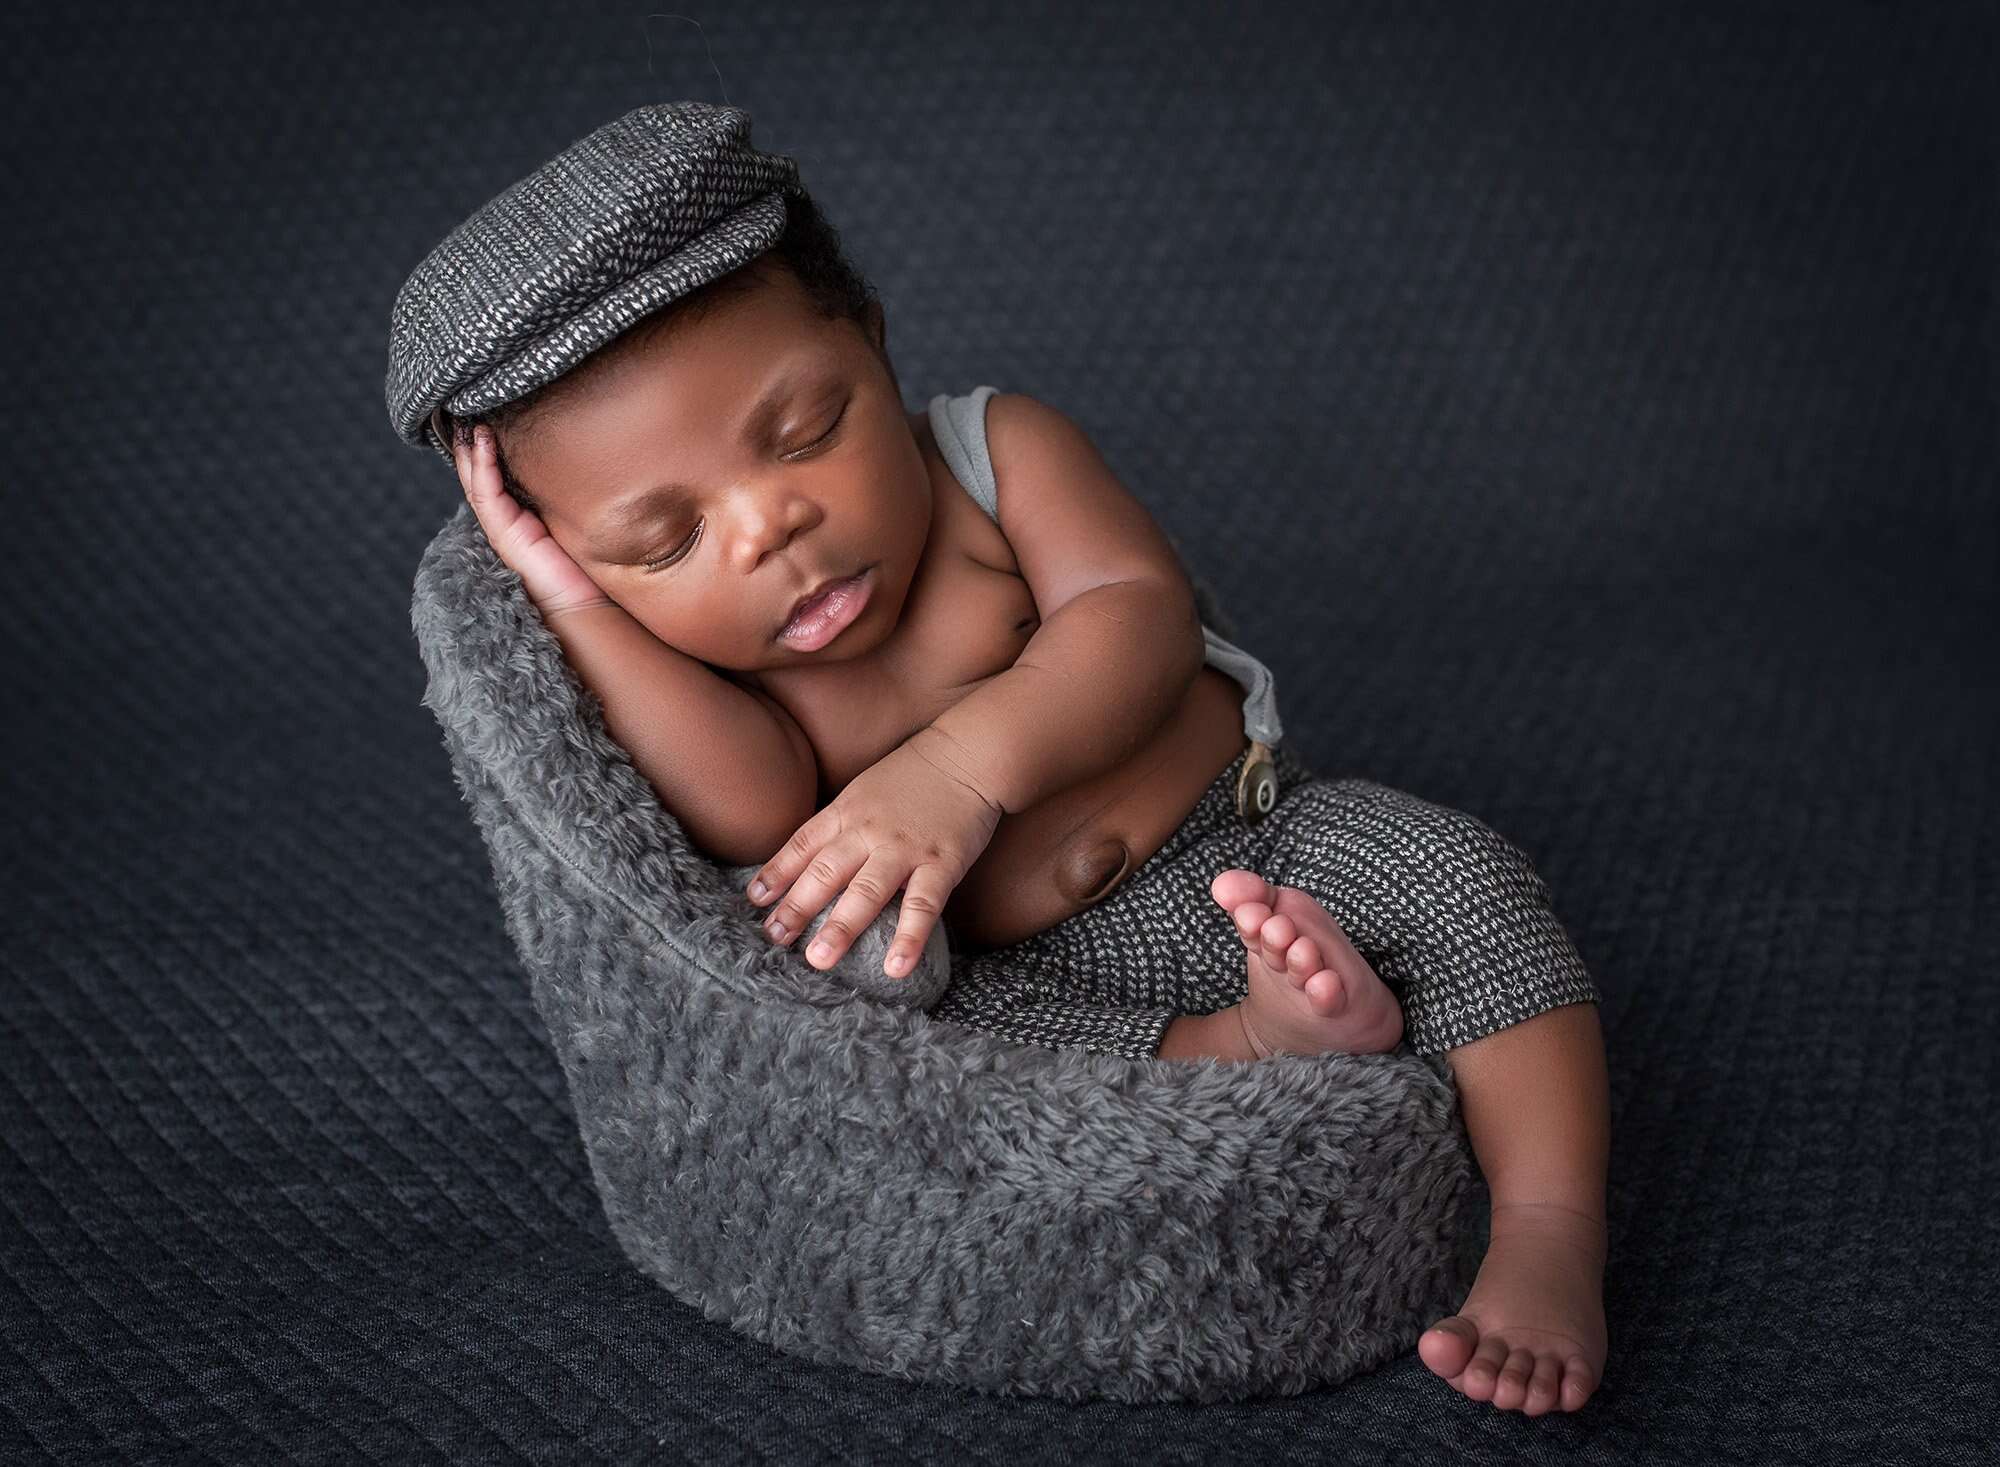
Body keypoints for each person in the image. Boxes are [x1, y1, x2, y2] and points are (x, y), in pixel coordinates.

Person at [400, 102, 1611, 1417]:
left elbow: (1137, 620)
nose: (769, 530)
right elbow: (747, 808)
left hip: (1252, 843)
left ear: (869, 337)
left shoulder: (993, 457)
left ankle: (1548, 1231)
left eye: (805, 431)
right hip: (1034, 967)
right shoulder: (706, 668)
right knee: (971, 1078)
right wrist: (574, 610)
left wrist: (954, 773)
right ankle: (1261, 1037)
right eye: (663, 543)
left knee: (1456, 872)